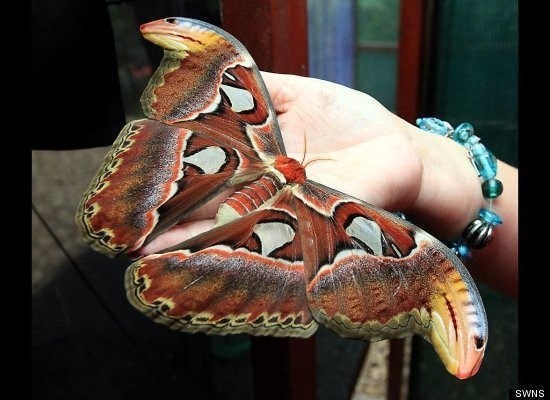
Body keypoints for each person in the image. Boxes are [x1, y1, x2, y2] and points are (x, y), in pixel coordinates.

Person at [136, 72, 518, 298]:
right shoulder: (306, 178)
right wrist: (422, 157)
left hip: (255, 185)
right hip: (266, 195)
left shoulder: (288, 166)